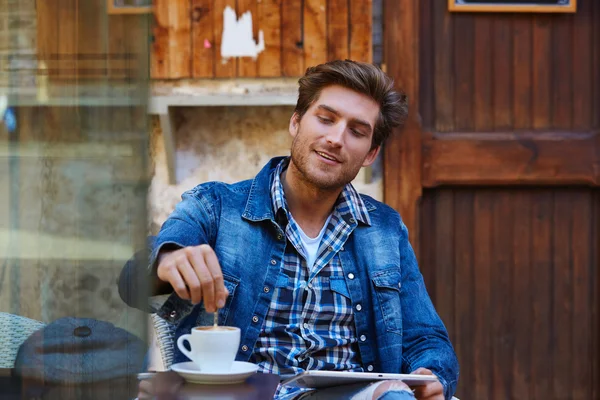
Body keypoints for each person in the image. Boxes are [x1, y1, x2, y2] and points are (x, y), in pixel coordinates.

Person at [120, 60, 459, 400]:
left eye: (357, 131)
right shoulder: (216, 205)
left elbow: (425, 338)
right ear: (296, 122)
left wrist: (432, 374)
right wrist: (166, 260)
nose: (336, 138)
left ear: (371, 152)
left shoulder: (385, 229)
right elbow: (133, 276)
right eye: (325, 119)